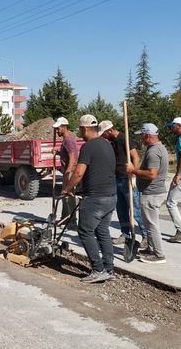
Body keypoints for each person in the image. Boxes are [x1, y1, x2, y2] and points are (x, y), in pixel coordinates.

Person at [62, 114, 117, 283]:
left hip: (95, 198)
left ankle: (98, 269)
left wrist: (67, 188)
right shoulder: (107, 145)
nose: (79, 132)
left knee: (85, 231)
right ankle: (109, 269)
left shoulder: (88, 147)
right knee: (102, 232)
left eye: (80, 129)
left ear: (85, 129)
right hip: (111, 196)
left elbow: (79, 172)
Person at [98, 121, 147, 248]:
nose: (103, 137)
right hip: (117, 179)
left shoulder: (124, 139)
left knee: (135, 209)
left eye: (104, 134)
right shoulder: (112, 142)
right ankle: (125, 234)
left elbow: (135, 157)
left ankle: (146, 235)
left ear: (109, 131)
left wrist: (134, 175)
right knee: (121, 209)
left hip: (127, 179)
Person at [126, 123, 169, 264]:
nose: (140, 139)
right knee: (149, 224)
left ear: (148, 135)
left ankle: (158, 254)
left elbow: (152, 174)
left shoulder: (153, 152)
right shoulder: (159, 148)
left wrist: (133, 171)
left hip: (151, 193)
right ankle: (151, 248)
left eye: (142, 136)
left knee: (151, 225)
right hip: (153, 192)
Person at [52, 116, 79, 226]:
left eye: (58, 128)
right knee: (64, 196)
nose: (56, 131)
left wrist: (68, 173)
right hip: (68, 171)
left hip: (70, 171)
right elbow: (67, 155)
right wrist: (58, 152)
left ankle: (72, 221)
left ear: (64, 127)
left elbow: (72, 157)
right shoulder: (66, 139)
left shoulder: (68, 139)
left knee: (68, 196)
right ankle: (64, 218)